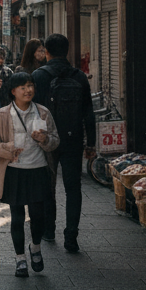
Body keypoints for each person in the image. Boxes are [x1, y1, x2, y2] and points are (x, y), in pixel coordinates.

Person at [0, 73, 61, 277]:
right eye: (23, 87)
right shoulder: (3, 114)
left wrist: (44, 140)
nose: (28, 90)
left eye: (30, 86)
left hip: (37, 171)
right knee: (17, 217)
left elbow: (55, 140)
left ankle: (35, 248)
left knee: (38, 216)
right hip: (14, 173)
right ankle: (20, 259)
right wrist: (9, 148)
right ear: (13, 91)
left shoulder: (42, 112)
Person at [30, 33, 97, 252]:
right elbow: (89, 111)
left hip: (45, 140)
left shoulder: (38, 76)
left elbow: (31, 112)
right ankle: (71, 236)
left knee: (46, 187)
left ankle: (49, 230)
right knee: (73, 188)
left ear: (46, 52)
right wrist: (91, 144)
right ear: (67, 51)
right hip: (73, 138)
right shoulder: (79, 77)